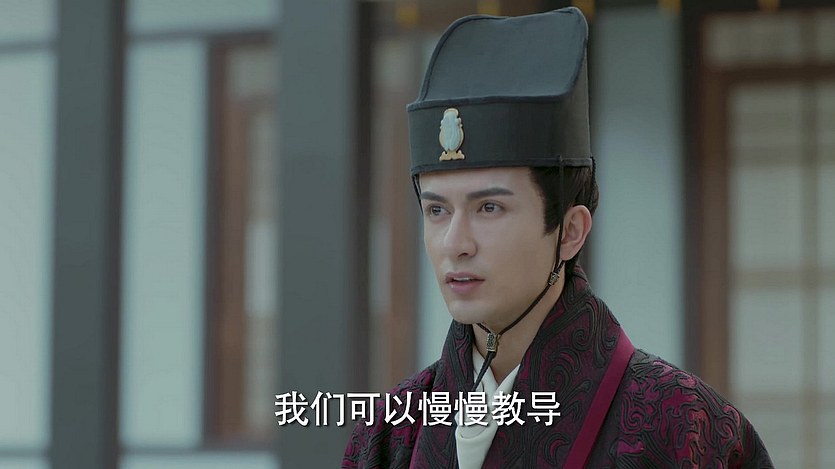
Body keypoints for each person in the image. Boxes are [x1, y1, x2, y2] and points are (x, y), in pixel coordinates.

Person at [343, 7, 772, 468]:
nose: (455, 243)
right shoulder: (389, 433)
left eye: (489, 208)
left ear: (570, 232)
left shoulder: (684, 425)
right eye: (437, 210)